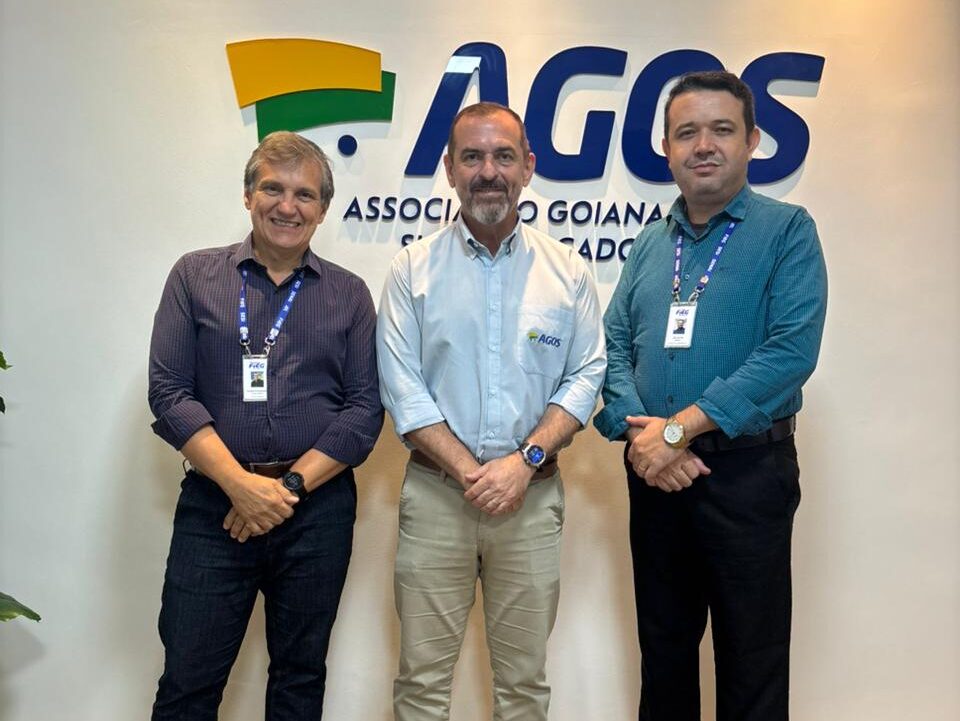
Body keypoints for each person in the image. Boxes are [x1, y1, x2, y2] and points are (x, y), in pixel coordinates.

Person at [594, 71, 827, 721]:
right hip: (654, 477)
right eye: (686, 132)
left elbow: (789, 353)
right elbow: (612, 344)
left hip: (747, 476)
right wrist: (641, 436)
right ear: (666, 149)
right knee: (663, 655)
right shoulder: (650, 242)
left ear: (751, 141)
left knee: (752, 661)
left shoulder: (787, 231)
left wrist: (679, 430)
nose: (703, 145)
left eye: (721, 129)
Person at [377, 102, 606, 721]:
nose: (488, 172)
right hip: (437, 500)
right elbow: (402, 388)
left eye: (503, 156)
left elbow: (586, 375)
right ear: (449, 169)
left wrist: (522, 463)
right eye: (472, 157)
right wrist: (471, 471)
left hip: (532, 502)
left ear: (527, 167)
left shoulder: (567, 272)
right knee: (421, 685)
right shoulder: (411, 270)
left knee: (523, 687)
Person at [148, 131, 383, 720]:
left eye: (305, 195)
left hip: (316, 512)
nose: (288, 206)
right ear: (248, 196)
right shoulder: (194, 276)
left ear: (323, 210)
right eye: (273, 189)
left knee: (300, 680)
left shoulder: (350, 295)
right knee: (188, 682)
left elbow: (363, 411)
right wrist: (240, 486)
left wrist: (285, 490)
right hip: (215, 508)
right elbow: (169, 393)